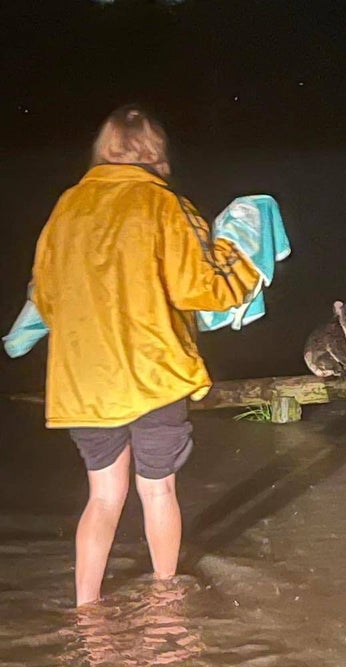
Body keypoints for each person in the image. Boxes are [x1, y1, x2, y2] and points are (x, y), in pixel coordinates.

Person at [31, 105, 261, 606]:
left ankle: (86, 608)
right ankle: (164, 601)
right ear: (156, 150)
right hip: (153, 372)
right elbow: (204, 287)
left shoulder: (67, 208)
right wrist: (240, 259)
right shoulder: (165, 206)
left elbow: (45, 296)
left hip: (86, 382)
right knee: (157, 492)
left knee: (102, 497)